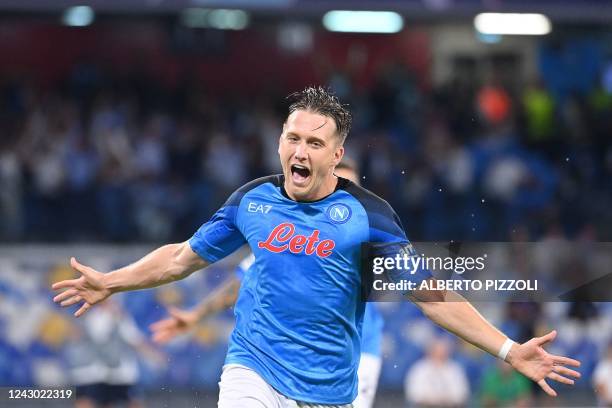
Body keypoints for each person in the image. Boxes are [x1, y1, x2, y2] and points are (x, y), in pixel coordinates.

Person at [53, 86, 580, 407]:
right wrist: (112, 281)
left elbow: (429, 295)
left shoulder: (370, 216)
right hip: (252, 369)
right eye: (292, 138)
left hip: (330, 391)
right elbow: (181, 257)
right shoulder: (251, 203)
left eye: (314, 143)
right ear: (280, 142)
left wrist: (509, 350)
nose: (299, 151)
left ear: (337, 154)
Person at [149, 159, 385, 408]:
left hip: (354, 352)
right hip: (288, 354)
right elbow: (242, 279)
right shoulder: (288, 236)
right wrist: (197, 314)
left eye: (351, 187)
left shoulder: (367, 235)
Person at [404, 337, 470, 407]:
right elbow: (414, 394)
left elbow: (461, 394)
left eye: (442, 352)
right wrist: (433, 400)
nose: (440, 354)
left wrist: (443, 400)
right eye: (437, 351)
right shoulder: (419, 368)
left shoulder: (455, 369)